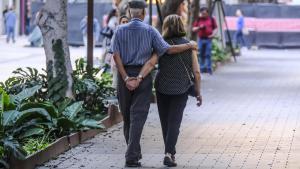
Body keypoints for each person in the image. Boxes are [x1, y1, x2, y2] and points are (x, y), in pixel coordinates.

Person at [110, 0, 198, 167]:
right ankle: (132, 154)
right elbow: (168, 49)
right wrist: (189, 45)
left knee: (128, 117)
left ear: (129, 12)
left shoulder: (119, 31)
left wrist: (126, 77)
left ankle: (132, 154)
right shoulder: (151, 31)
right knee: (138, 116)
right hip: (144, 78)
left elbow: (116, 56)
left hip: (124, 78)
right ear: (143, 13)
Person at [138, 15, 202, 167]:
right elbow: (197, 72)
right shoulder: (190, 46)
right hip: (181, 88)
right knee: (175, 122)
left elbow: (152, 62)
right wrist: (198, 92)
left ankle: (169, 151)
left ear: (165, 27)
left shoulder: (161, 44)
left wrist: (139, 77)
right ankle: (169, 153)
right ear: (181, 26)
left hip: (162, 88)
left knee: (165, 121)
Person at [192, 7, 217, 75]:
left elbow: (215, 28)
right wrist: (199, 27)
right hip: (201, 39)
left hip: (208, 39)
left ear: (207, 13)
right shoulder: (199, 19)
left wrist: (213, 34)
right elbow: (193, 29)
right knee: (201, 54)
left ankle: (209, 69)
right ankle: (202, 69)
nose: (204, 15)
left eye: (205, 13)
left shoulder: (211, 19)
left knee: (208, 54)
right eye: (202, 13)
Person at [111, 15, 130, 89]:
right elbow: (112, 49)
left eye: (126, 22)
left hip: (128, 63)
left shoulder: (131, 34)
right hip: (117, 62)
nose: (125, 23)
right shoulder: (116, 33)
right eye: (123, 22)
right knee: (116, 82)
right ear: (120, 23)